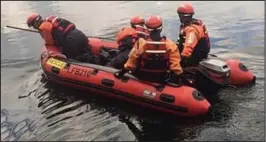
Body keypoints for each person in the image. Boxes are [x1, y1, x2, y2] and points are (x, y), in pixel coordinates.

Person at [115, 15, 183, 83]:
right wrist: (178, 79)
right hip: (162, 77)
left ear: (147, 29)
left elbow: (131, 62)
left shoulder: (141, 42)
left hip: (142, 76)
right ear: (161, 28)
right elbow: (175, 66)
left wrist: (121, 73)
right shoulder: (170, 45)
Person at [26, 13, 99, 63]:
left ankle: (91, 60)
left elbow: (50, 42)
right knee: (87, 51)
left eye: (33, 26)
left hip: (72, 41)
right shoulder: (52, 19)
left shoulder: (44, 27)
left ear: (35, 23)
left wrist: (43, 34)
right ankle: (100, 59)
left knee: (72, 60)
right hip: (80, 35)